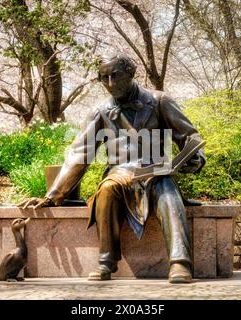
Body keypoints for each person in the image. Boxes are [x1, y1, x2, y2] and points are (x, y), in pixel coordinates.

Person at [18, 53, 206, 283]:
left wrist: (196, 157)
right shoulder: (100, 111)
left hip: (156, 171)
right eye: (104, 78)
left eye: (115, 76)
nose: (109, 84)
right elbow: (80, 152)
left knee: (168, 195)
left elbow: (189, 136)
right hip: (120, 172)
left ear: (131, 73)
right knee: (105, 190)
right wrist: (52, 195)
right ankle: (106, 261)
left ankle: (179, 263)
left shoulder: (159, 101)